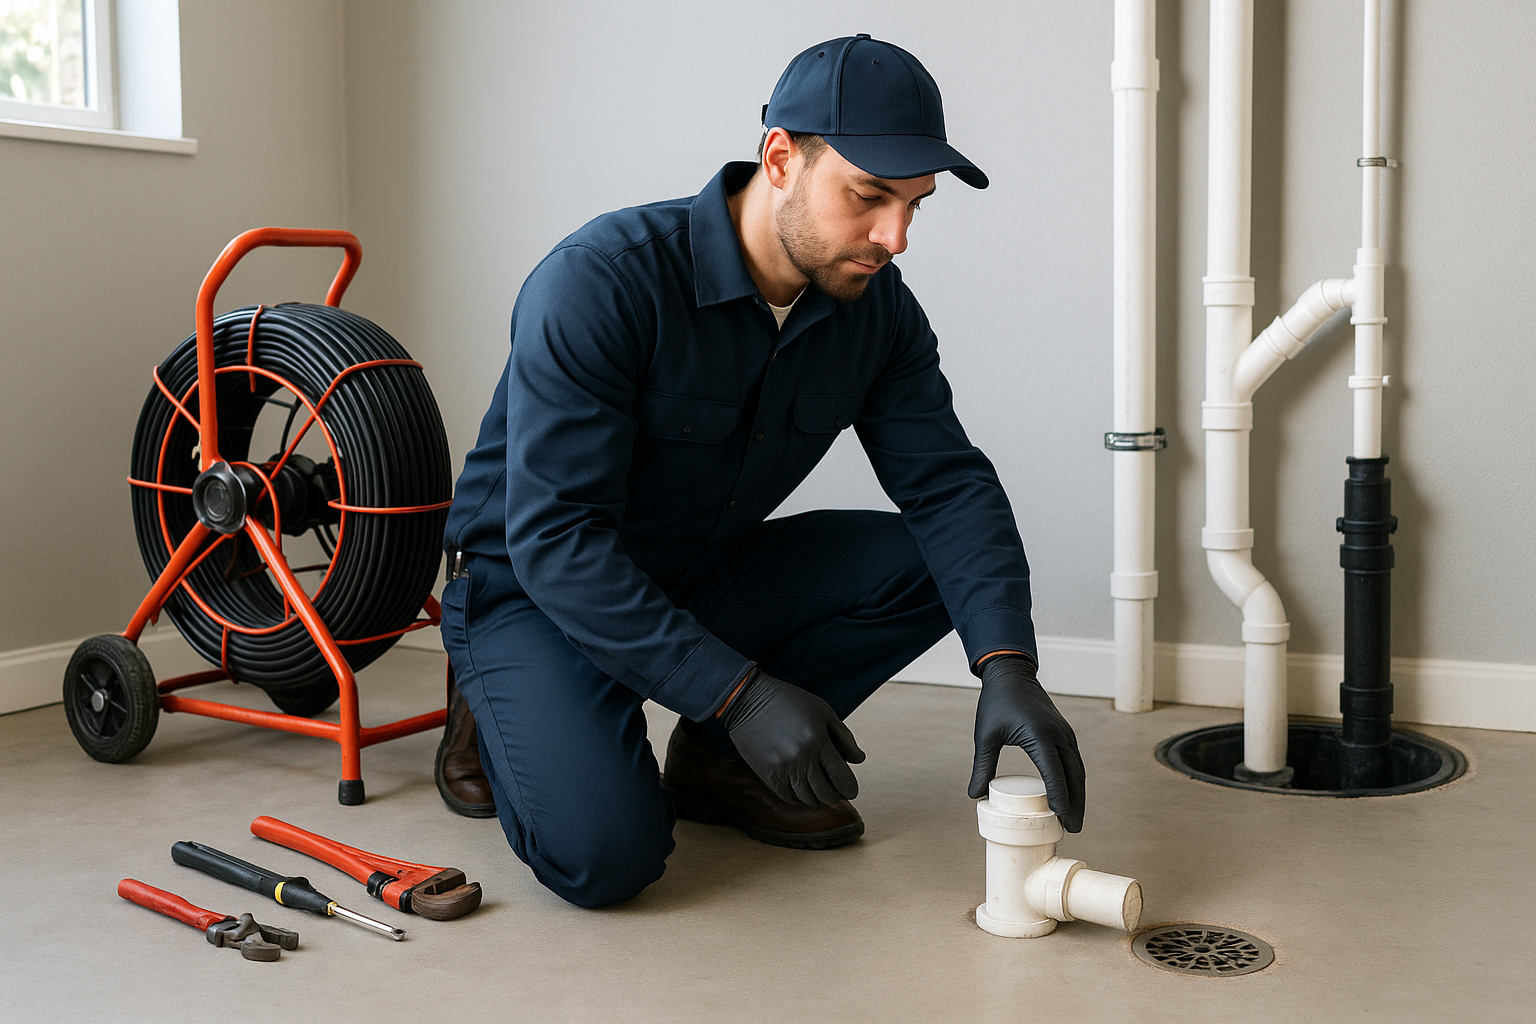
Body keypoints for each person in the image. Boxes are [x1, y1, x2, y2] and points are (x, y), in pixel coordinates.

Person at [436, 34, 1086, 909]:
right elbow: (556, 540)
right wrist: (740, 694)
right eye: (869, 197)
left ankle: (715, 766)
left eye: (914, 206)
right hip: (536, 590)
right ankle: (493, 697)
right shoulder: (601, 283)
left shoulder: (876, 311)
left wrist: (1007, 662)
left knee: (937, 561)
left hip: (698, 571)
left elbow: (948, 485)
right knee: (607, 860)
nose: (894, 237)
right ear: (781, 157)